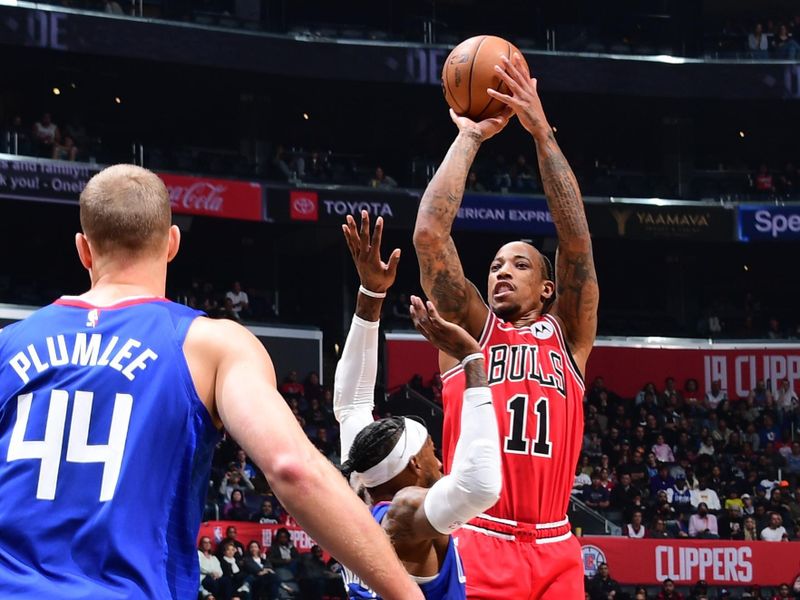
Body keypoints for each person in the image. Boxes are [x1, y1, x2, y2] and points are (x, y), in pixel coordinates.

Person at [0, 164, 423, 600]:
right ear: (172, 243)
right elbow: (292, 467)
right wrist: (406, 594)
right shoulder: (210, 344)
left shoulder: (7, 345)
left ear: (84, 250)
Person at [413, 52, 598, 599]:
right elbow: (429, 236)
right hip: (479, 535)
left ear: (547, 288)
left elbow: (577, 243)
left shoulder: (568, 335)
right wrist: (469, 137)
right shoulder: (469, 329)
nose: (501, 272)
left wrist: (542, 133)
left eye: (519, 264)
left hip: (556, 542)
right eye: (494, 264)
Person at [335, 212, 502, 599]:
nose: (440, 462)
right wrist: (473, 359)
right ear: (413, 465)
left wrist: (371, 295)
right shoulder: (407, 512)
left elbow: (352, 401)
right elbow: (481, 486)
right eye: (432, 452)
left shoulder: (359, 487)